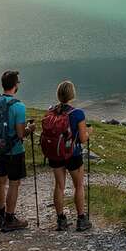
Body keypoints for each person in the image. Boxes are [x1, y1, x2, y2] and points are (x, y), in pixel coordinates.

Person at [44, 80, 91, 232]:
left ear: (58, 94)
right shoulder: (77, 113)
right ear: (72, 95)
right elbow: (83, 139)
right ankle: (81, 219)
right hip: (73, 154)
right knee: (78, 186)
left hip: (55, 153)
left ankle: (61, 220)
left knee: (59, 186)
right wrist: (89, 132)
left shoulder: (51, 110)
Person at [0, 70, 34, 232]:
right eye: (18, 82)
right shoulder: (18, 106)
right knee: (14, 183)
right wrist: (30, 129)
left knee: (1, 181)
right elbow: (20, 133)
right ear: (15, 85)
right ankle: (10, 219)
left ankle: (1, 215)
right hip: (14, 151)